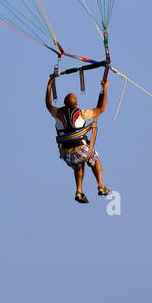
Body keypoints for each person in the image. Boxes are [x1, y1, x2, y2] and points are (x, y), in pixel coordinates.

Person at [46, 57, 112, 204]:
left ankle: (79, 191)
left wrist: (49, 86)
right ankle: (101, 186)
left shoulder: (57, 113)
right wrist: (104, 89)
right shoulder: (81, 114)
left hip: (66, 154)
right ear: (77, 103)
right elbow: (101, 108)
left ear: (64, 103)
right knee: (94, 159)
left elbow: (48, 104)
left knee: (78, 164)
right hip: (81, 151)